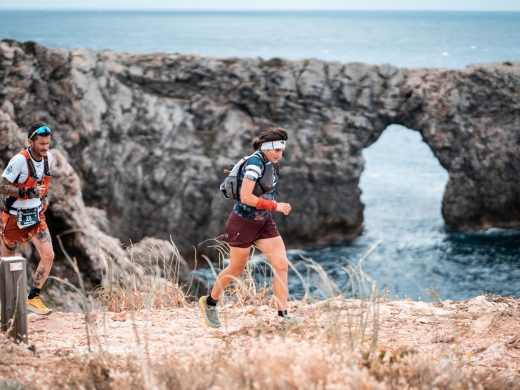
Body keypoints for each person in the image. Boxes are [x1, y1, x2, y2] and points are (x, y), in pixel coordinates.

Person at [200, 127, 297, 328]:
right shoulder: (254, 163)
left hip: (264, 222)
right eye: (277, 150)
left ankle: (283, 316)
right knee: (237, 267)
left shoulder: (269, 162)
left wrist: (270, 210)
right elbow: (246, 197)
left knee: (281, 265)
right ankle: (209, 303)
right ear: (266, 148)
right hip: (242, 223)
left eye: (282, 150)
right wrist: (275, 206)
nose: (280, 155)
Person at [0, 122, 55, 315]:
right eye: (41, 143)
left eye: (47, 143)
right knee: (6, 262)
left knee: (48, 256)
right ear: (29, 141)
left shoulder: (49, 158)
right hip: (14, 218)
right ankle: (5, 307)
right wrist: (27, 192)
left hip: (36, 216)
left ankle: (32, 298)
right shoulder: (19, 161)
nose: (45, 147)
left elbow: (44, 180)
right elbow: (2, 186)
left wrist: (44, 197)